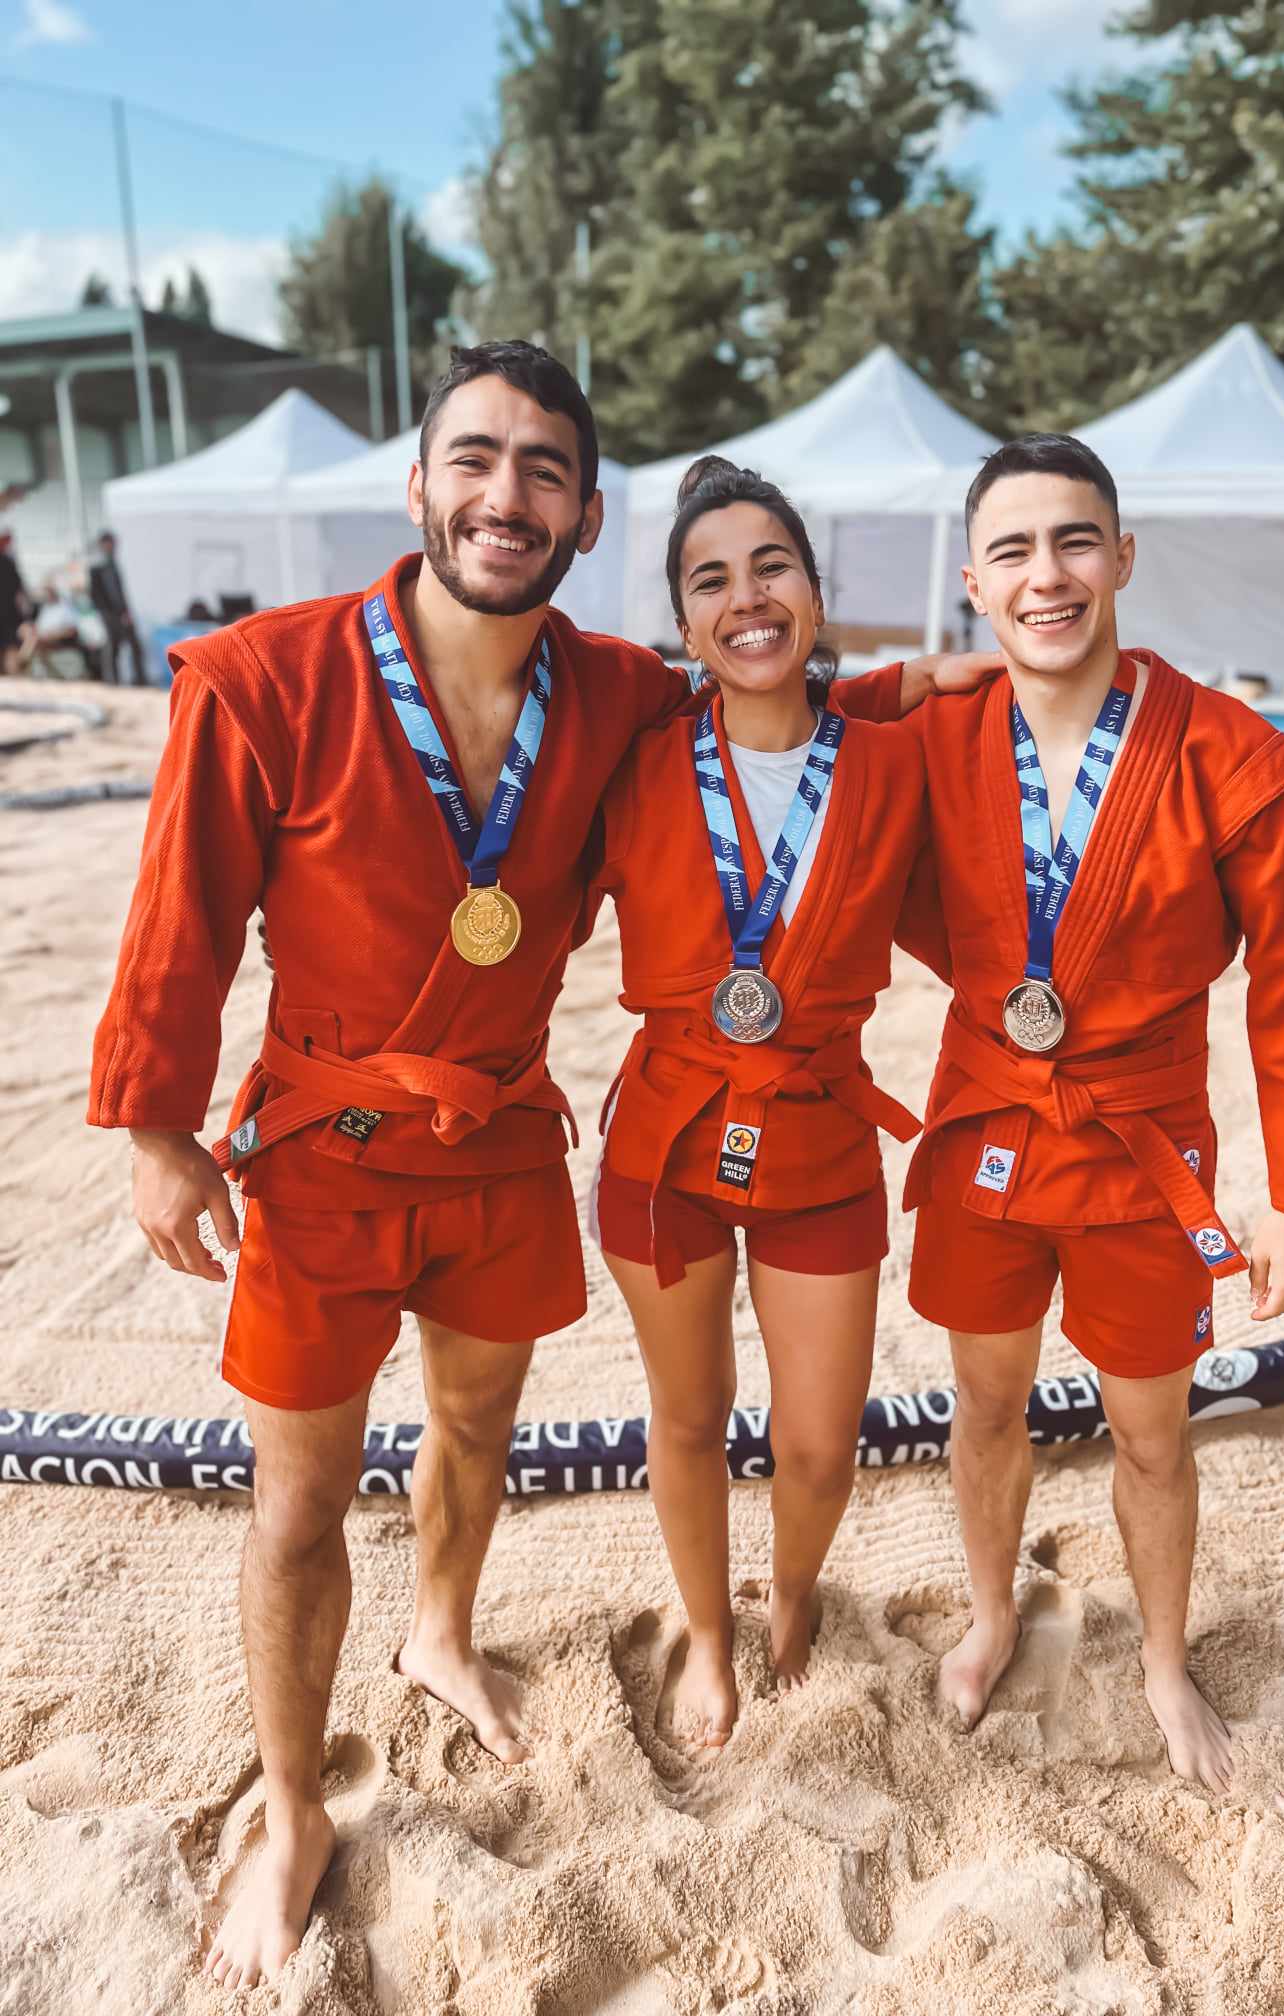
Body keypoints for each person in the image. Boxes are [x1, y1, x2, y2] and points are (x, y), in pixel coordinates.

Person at [88, 340, 992, 1991]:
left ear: (581, 517)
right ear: (420, 484)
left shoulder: (614, 691)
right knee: (296, 1502)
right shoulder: (262, 677)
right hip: (325, 1147)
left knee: (484, 1419)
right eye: (478, 459)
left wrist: (900, 686)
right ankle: (293, 1806)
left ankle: (439, 1631)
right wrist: (159, 1129)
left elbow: (763, 694)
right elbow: (184, 918)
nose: (507, 493)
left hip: (502, 1135)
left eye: (545, 472)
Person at [898, 434, 1284, 1793]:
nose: (1045, 575)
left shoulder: (1236, 758)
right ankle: (996, 1614)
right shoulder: (924, 743)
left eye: (1072, 542)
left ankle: (1166, 1657)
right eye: (1012, 550)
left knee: (1152, 1430)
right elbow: (753, 722)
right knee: (985, 1404)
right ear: (973, 584)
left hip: (1145, 1145)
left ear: (1122, 557)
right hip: (988, 1120)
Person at [589, 456, 943, 1747]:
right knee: (685, 1415)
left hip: (822, 1136)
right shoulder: (631, 763)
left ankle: (789, 1593)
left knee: (817, 1445)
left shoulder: (898, 765)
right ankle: (705, 1631)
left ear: (815, 588)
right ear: (683, 626)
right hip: (664, 1137)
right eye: (711, 580)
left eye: (772, 567)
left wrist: (913, 681)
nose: (747, 599)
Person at [88, 529, 147, 686]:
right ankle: (112, 680)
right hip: (108, 613)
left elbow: (120, 592)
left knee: (134, 645)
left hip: (120, 612)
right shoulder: (97, 565)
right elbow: (96, 594)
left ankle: (139, 679)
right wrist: (105, 613)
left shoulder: (113, 563)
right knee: (113, 646)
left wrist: (125, 611)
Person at [0, 532, 26, 678]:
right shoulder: (9, 562)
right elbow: (19, 592)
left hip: (8, 615)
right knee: (10, 650)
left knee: (10, 651)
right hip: (9, 615)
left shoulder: (8, 562)